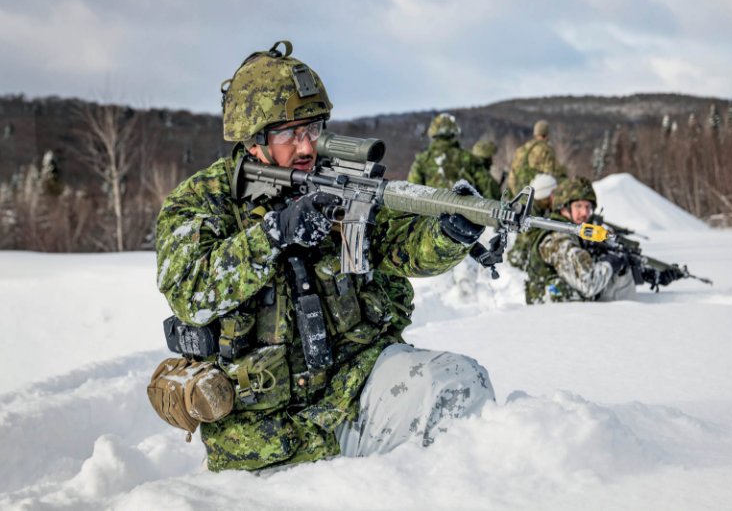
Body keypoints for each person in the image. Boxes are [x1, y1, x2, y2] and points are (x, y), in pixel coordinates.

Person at [154, 41, 494, 472]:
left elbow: (401, 245)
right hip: (266, 439)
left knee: (461, 384)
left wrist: (449, 232)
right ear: (253, 139)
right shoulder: (202, 202)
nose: (305, 147)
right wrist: (274, 234)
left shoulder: (333, 180)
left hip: (357, 387)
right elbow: (191, 291)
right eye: (288, 134)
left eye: (313, 129)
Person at [520, 176, 636, 304]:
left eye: (588, 207)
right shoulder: (557, 239)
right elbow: (589, 283)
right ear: (563, 208)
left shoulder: (577, 233)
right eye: (578, 206)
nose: (584, 213)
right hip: (550, 317)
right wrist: (610, 262)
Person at [407, 112, 497, 198]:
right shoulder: (469, 158)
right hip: (464, 212)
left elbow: (412, 195)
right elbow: (489, 191)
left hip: (431, 212)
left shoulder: (422, 160)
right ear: (454, 132)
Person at [506, 119, 567, 196]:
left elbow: (512, 174)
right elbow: (552, 174)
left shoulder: (521, 149)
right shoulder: (546, 149)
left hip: (519, 193)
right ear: (547, 134)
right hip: (537, 195)